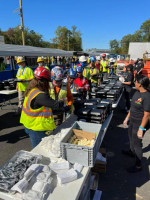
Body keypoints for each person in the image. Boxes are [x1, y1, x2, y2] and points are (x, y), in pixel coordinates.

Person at [20, 67, 64, 148]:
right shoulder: (40, 95)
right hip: (36, 129)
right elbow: (56, 105)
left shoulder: (32, 90)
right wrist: (63, 101)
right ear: (44, 82)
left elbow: (40, 108)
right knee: (39, 150)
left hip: (29, 124)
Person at [123, 75, 150, 173]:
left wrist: (141, 129)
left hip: (140, 122)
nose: (134, 83)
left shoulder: (147, 96)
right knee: (130, 136)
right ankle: (131, 151)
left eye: (136, 81)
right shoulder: (137, 93)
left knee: (137, 143)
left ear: (140, 84)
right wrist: (127, 118)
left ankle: (138, 165)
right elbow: (132, 107)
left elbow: (146, 115)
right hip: (132, 120)